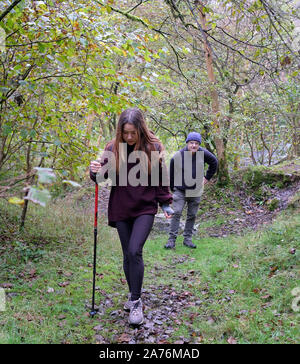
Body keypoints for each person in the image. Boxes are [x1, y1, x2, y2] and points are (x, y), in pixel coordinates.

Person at [90, 108, 173, 326]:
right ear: (120, 131)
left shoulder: (152, 147)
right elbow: (100, 177)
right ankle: (133, 293)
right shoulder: (113, 148)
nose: (128, 137)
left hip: (145, 207)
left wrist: (165, 201)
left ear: (140, 130)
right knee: (128, 254)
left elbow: (161, 178)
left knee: (135, 250)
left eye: (132, 133)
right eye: (125, 133)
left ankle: (136, 302)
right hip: (121, 208)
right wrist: (94, 170)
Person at [165, 132, 218, 249]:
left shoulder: (203, 153)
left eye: (196, 143)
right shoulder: (179, 155)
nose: (193, 146)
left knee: (192, 214)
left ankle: (187, 239)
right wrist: (172, 188)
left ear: (199, 145)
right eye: (191, 143)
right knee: (176, 212)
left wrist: (207, 178)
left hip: (195, 190)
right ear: (187, 143)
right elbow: (172, 170)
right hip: (180, 190)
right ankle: (171, 240)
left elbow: (214, 162)